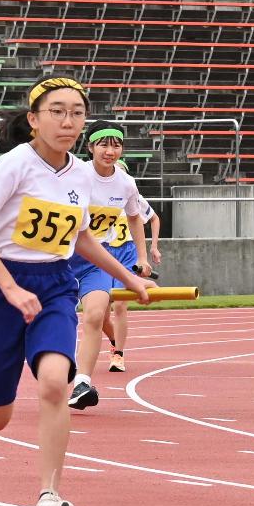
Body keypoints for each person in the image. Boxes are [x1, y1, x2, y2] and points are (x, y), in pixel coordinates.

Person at [0, 77, 154, 506]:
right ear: (34, 120)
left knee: (57, 382)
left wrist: (129, 277)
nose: (68, 121)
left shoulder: (80, 175)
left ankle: (48, 498)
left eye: (77, 112)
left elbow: (80, 239)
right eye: (57, 111)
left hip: (56, 286)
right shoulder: (10, 167)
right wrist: (9, 288)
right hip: (3, 289)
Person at [68, 126, 157, 408]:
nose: (110, 151)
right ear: (91, 148)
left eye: (116, 145)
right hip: (62, 257)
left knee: (95, 315)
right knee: (53, 317)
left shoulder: (126, 183)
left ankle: (82, 382)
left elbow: (135, 218)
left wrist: (142, 257)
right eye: (103, 145)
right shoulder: (75, 175)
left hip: (97, 259)